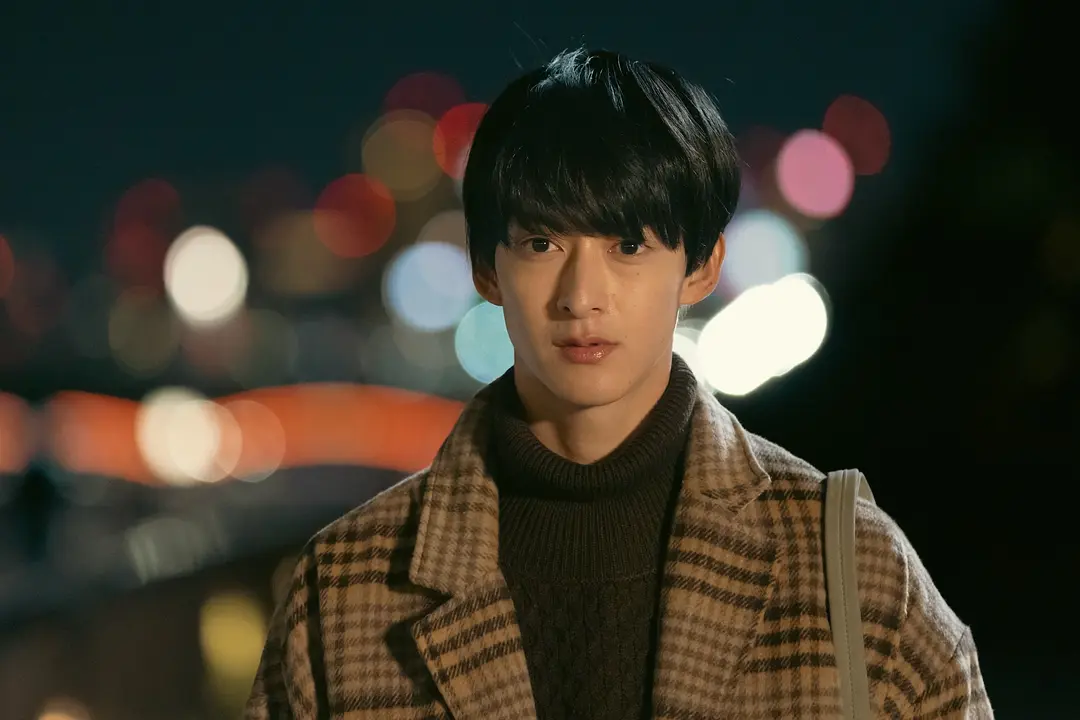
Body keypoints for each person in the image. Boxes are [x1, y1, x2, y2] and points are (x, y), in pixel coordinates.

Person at [244, 49, 992, 719]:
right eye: (542, 243)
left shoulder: (846, 564)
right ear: (486, 268)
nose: (581, 295)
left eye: (628, 245)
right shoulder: (346, 590)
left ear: (700, 265)